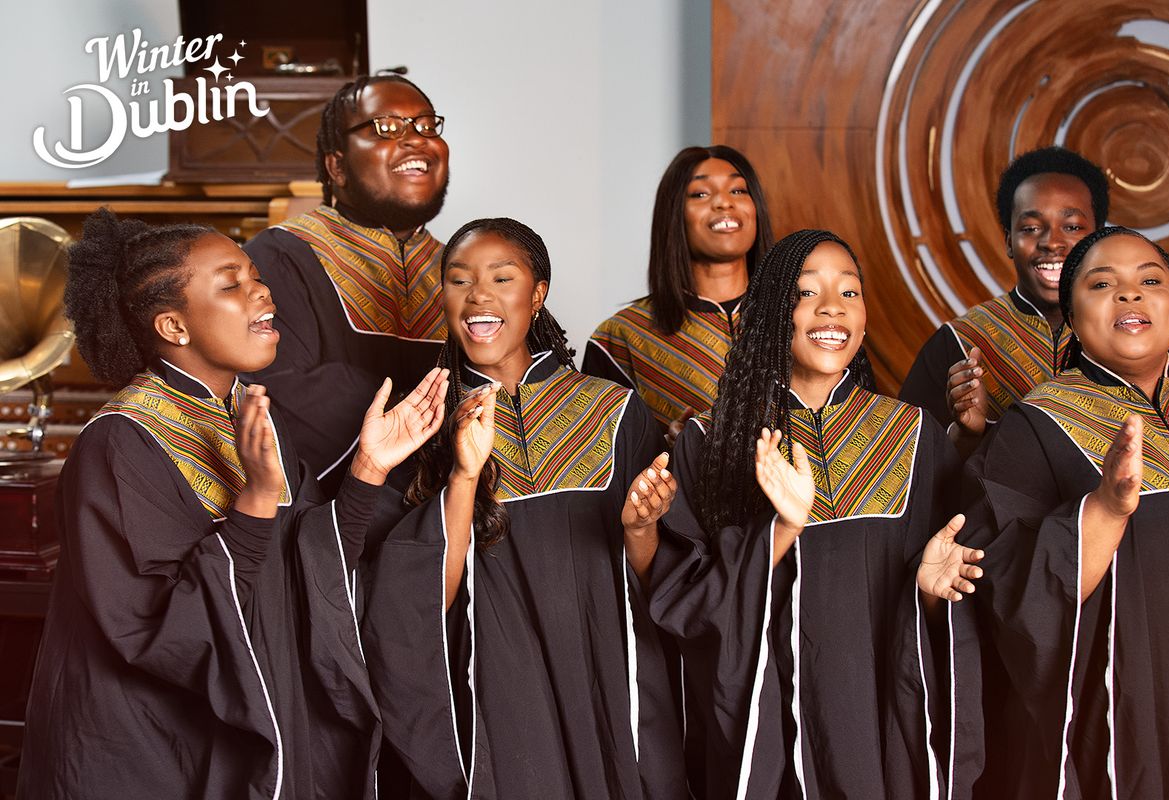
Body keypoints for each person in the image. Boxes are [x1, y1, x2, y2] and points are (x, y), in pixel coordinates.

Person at [18, 209, 449, 799]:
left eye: (254, 275)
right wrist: (255, 500)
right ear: (174, 327)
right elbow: (156, 629)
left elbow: (311, 564)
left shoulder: (250, 414)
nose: (260, 290)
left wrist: (368, 469)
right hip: (149, 748)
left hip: (256, 719)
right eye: (231, 284)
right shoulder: (120, 441)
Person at [649, 229, 981, 799]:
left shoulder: (914, 435)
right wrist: (779, 530)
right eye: (807, 293)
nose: (832, 307)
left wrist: (929, 592)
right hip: (776, 733)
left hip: (885, 727)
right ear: (773, 312)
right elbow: (683, 602)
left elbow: (967, 601)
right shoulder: (714, 442)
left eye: (849, 292)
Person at [362, 218, 687, 799]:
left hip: (609, 676)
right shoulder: (421, 423)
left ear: (537, 294)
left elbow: (657, 579)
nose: (478, 295)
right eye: (458, 280)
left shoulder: (613, 410)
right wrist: (464, 473)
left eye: (501, 278)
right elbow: (420, 600)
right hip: (497, 690)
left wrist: (641, 529)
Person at [957, 226, 1169, 798]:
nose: (1130, 295)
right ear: (1069, 314)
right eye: (1102, 284)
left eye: (1149, 281)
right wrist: (1108, 510)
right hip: (1123, 711)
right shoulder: (1033, 427)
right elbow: (1008, 595)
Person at [246, 73, 451, 493]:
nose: (416, 139)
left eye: (427, 125)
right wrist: (442, 435)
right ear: (336, 165)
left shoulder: (466, 271)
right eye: (387, 127)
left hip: (461, 517)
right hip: (340, 519)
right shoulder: (281, 255)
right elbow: (284, 394)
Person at [899, 146, 1107, 453]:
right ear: (1009, 241)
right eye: (1031, 228)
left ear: (1098, 237)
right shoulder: (955, 344)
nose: (1051, 242)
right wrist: (967, 433)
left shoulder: (1134, 335)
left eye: (1072, 227)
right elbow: (910, 470)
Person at [585, 145, 774, 443]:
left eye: (738, 191)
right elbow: (605, 462)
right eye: (701, 194)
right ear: (674, 214)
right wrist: (667, 449)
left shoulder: (801, 317)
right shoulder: (619, 338)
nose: (724, 203)